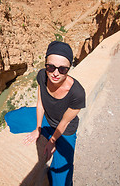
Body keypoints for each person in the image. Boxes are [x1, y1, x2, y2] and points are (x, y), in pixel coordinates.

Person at [5, 41, 86, 186]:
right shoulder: (42, 76)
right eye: (51, 67)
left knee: (61, 179)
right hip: (47, 118)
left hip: (65, 129)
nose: (55, 73)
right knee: (12, 119)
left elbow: (65, 122)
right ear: (45, 64)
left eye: (62, 69)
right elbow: (41, 103)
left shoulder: (77, 93)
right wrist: (38, 129)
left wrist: (52, 140)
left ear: (68, 69)